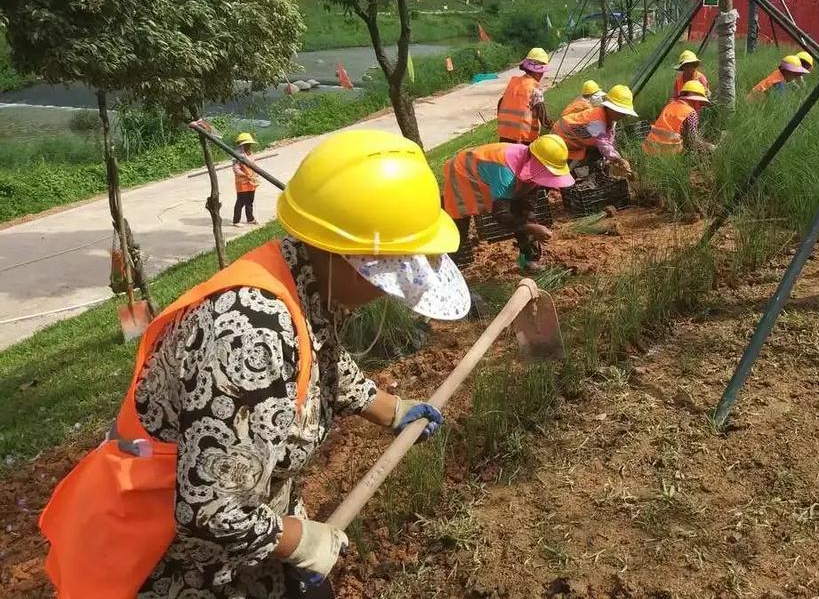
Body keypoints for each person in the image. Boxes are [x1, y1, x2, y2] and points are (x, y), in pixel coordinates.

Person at [40, 130, 471, 599]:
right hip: (181, 561)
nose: (385, 293)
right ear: (339, 253)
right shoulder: (250, 334)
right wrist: (299, 541)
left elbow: (316, 354)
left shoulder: (301, 274)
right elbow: (210, 510)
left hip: (248, 526)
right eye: (385, 275)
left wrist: (390, 408)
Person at [442, 135, 574, 274]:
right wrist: (531, 227)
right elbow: (501, 215)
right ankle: (446, 272)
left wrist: (530, 224)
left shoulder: (530, 165)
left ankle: (529, 260)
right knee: (458, 228)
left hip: (493, 176)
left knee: (525, 214)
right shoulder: (505, 173)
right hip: (462, 173)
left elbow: (527, 208)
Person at [553, 84, 637, 175]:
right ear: (610, 108)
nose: (622, 115)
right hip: (562, 137)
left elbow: (609, 138)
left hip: (573, 138)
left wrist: (613, 158)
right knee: (556, 165)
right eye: (620, 112)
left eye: (624, 113)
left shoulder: (609, 118)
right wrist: (618, 159)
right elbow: (603, 143)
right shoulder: (598, 121)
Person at [497, 47, 553, 143]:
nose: (542, 75)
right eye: (542, 72)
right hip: (523, 139)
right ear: (538, 72)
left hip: (504, 137)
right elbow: (545, 119)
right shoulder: (534, 89)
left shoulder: (513, 83)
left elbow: (500, 103)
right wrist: (556, 128)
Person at [643, 80, 714, 156]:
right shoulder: (691, 113)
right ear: (696, 101)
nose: (699, 107)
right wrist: (709, 147)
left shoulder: (669, 106)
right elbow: (692, 140)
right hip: (670, 151)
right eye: (700, 103)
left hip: (650, 148)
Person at [232, 132, 260, 226]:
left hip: (251, 181)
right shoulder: (238, 156)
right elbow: (236, 169)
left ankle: (250, 218)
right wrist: (245, 175)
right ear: (241, 145)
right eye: (246, 144)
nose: (248, 146)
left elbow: (253, 166)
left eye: (249, 144)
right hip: (242, 182)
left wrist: (255, 175)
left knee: (250, 201)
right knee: (241, 201)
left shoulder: (250, 154)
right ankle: (236, 221)